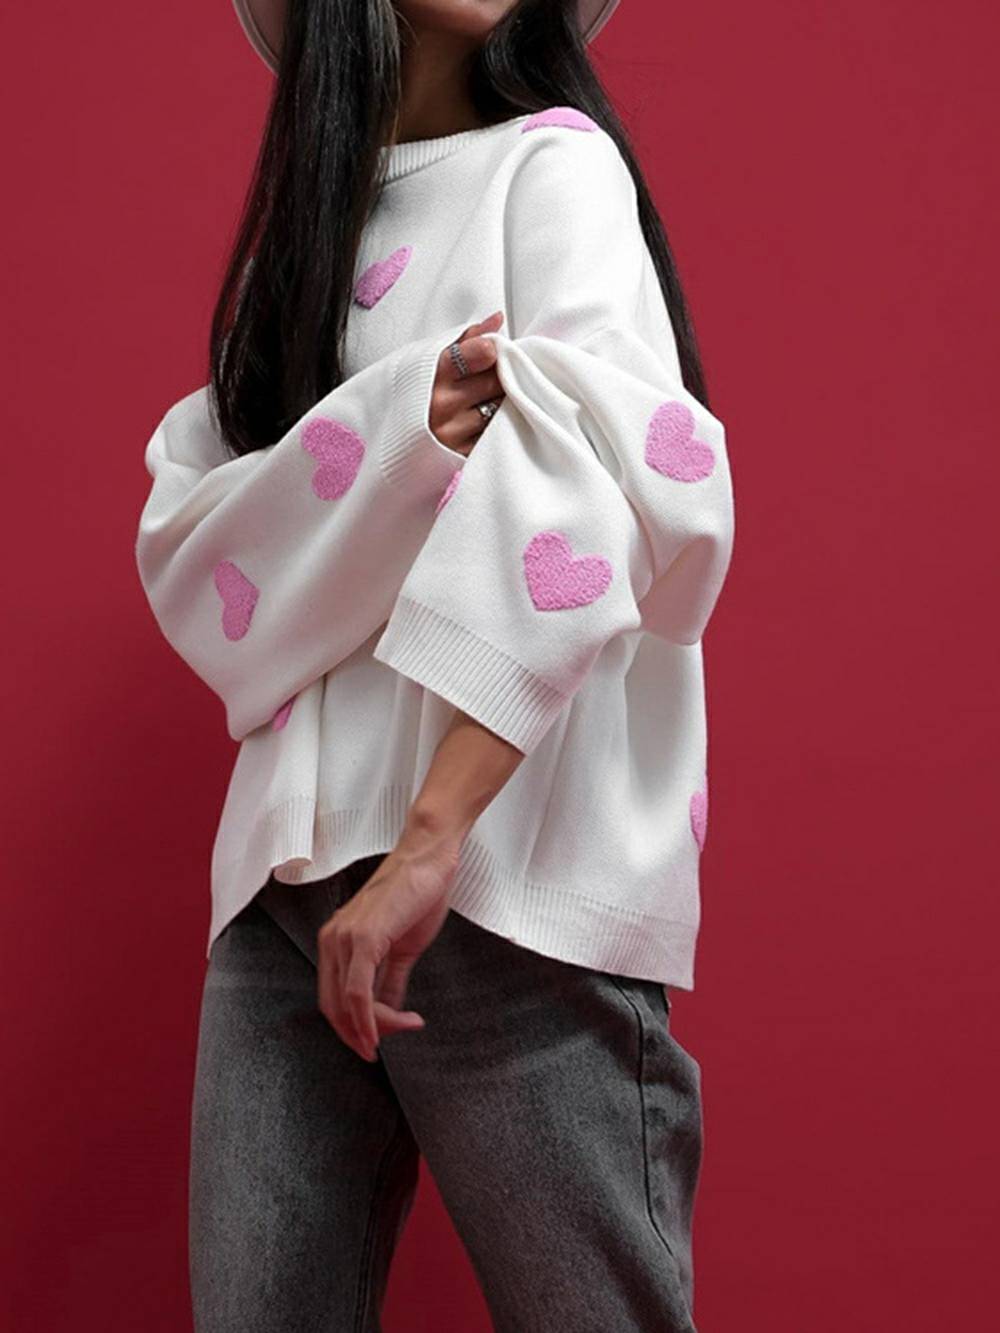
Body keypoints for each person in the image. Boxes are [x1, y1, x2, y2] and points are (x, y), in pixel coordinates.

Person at [134, 0, 735, 1327]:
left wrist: (430, 839)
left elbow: (610, 485)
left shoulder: (554, 167)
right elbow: (196, 559)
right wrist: (399, 428)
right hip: (286, 886)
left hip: (504, 878)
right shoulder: (302, 253)